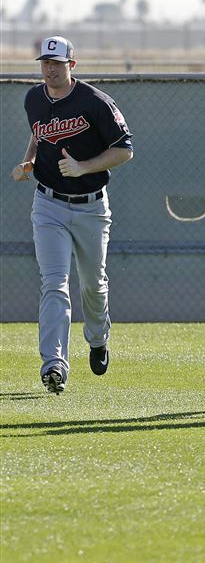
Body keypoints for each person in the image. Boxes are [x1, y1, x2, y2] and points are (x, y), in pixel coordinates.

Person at [11, 36, 133, 394]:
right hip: (48, 205)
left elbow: (125, 150)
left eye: (57, 63)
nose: (50, 69)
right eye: (45, 63)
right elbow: (39, 134)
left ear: (72, 66)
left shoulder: (95, 102)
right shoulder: (34, 97)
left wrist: (84, 167)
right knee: (54, 282)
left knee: (93, 284)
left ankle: (97, 338)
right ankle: (54, 364)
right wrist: (30, 162)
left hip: (91, 206)